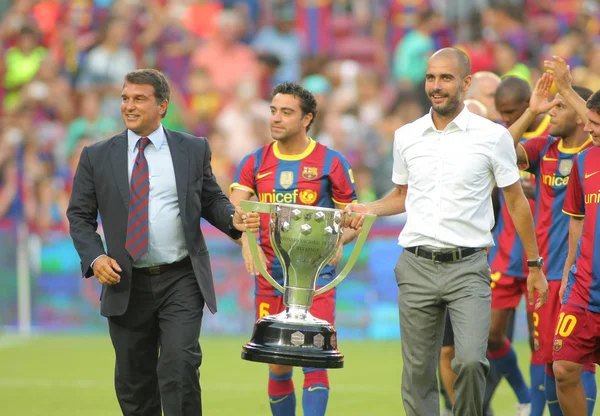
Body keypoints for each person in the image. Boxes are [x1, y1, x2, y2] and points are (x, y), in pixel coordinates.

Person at [345, 48, 548, 416]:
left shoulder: (492, 137)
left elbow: (517, 201)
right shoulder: (406, 136)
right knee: (418, 372)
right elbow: (403, 196)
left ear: (466, 83)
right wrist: (367, 209)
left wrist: (534, 264)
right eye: (430, 78)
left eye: (446, 78)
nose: (436, 87)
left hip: (468, 267)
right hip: (416, 266)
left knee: (471, 361)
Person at [66, 68, 260, 416]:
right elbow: (79, 217)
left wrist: (234, 219)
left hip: (180, 278)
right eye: (125, 98)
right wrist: (96, 258)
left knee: (180, 367)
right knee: (134, 381)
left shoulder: (193, 148)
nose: (129, 106)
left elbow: (212, 200)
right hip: (125, 281)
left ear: (163, 106)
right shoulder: (96, 156)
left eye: (139, 98)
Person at [229, 81, 357, 416]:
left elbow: (352, 220)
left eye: (287, 112)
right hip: (270, 276)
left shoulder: (331, 162)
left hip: (316, 277)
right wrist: (245, 241)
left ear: (306, 118)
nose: (276, 118)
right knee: (277, 361)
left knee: (315, 356)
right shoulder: (254, 162)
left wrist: (339, 242)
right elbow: (237, 211)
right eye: (273, 110)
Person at [507, 68, 597, 416]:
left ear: (580, 116)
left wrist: (569, 91)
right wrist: (533, 110)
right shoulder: (544, 148)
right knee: (550, 358)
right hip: (545, 272)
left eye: (558, 108)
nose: (551, 114)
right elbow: (501, 151)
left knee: (577, 362)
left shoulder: (594, 148)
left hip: (583, 274)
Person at [486, 76, 550, 415]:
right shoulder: (500, 136)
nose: (505, 118)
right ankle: (525, 396)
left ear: (529, 104)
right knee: (491, 336)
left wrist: (534, 192)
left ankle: (535, 409)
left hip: (539, 256)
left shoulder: (551, 138)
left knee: (539, 343)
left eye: (511, 112)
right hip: (504, 254)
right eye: (501, 112)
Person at [544, 56, 600, 416]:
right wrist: (567, 271)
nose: (589, 128)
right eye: (589, 122)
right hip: (584, 288)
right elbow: (577, 220)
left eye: (596, 123)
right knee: (563, 368)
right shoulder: (585, 161)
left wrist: (566, 87)